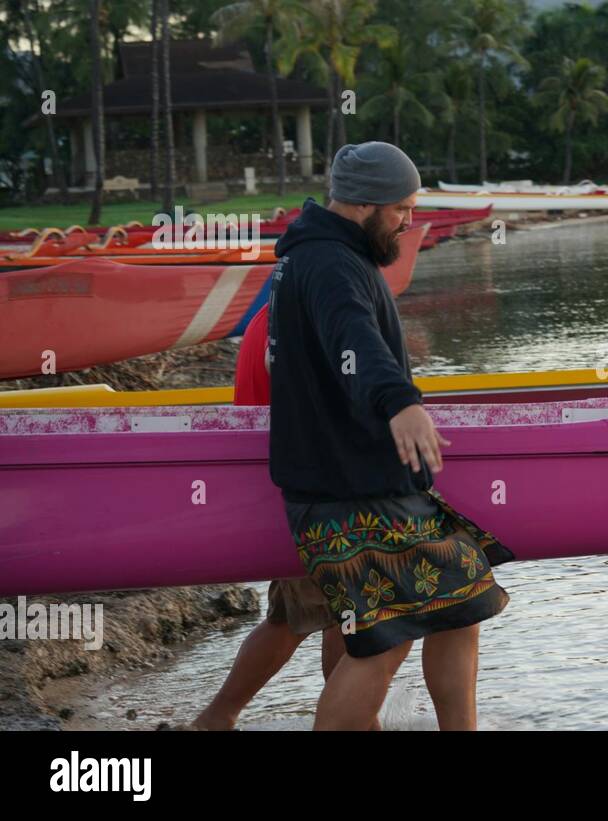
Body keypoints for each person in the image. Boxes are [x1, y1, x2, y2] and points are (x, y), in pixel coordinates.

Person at [268, 142, 512, 731]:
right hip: (348, 493)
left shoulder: (320, 256)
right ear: (365, 204)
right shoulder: (328, 263)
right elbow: (353, 341)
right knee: (381, 642)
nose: (409, 221)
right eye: (402, 207)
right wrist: (400, 402)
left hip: (359, 484)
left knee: (461, 603)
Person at [193, 305, 371, 730]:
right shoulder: (306, 317)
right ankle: (349, 724)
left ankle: (218, 718)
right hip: (313, 487)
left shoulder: (273, 314)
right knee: (341, 613)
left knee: (303, 615)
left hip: (281, 485)